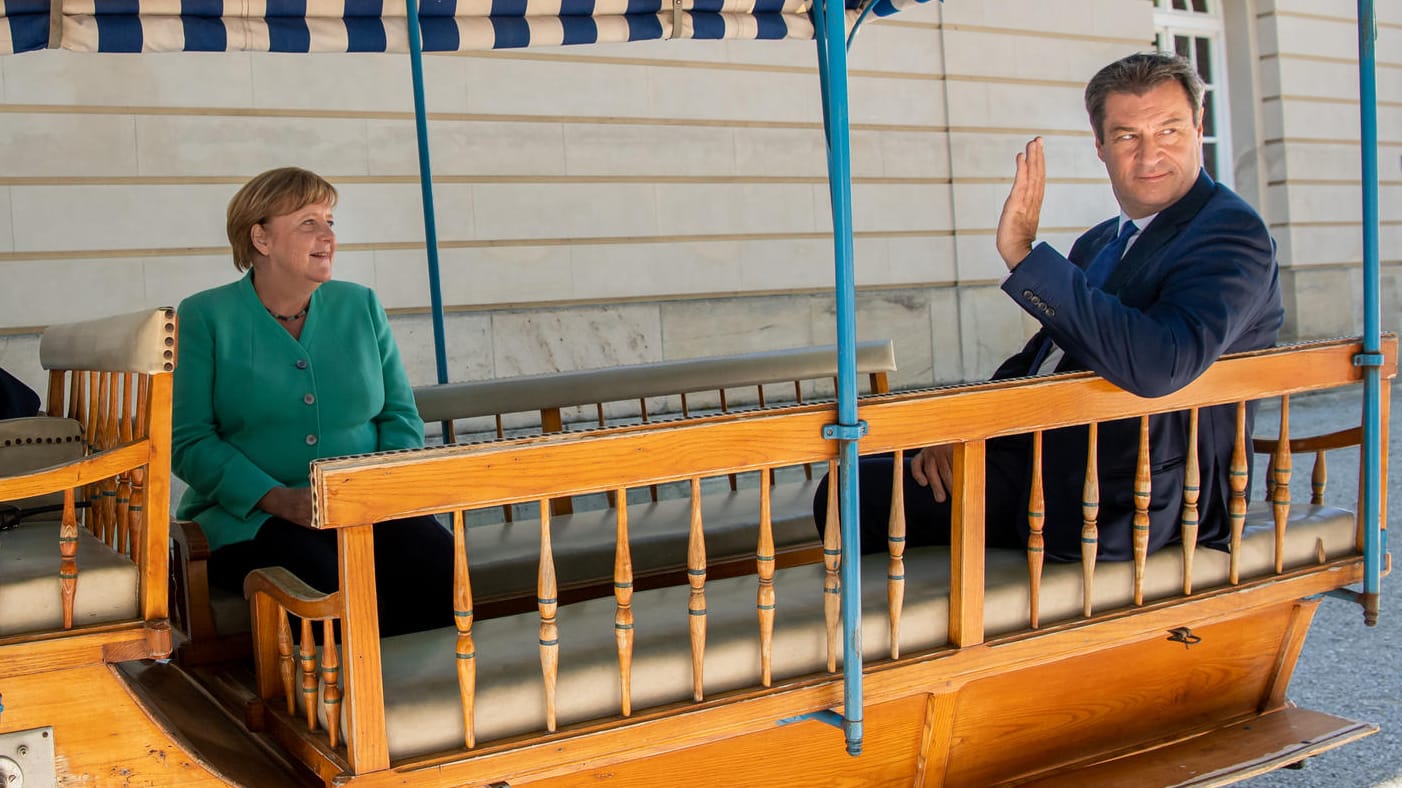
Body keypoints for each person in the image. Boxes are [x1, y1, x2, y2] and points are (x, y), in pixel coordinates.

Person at [816, 52, 1283, 562]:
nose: (1150, 156)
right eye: (1128, 136)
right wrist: (965, 431)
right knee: (860, 471)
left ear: (1198, 128)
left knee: (852, 494)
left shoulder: (1231, 233)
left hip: (1136, 495)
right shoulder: (1101, 241)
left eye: (1169, 130)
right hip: (1051, 459)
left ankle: (914, 637)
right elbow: (1042, 359)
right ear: (1100, 146)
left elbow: (1157, 364)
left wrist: (1023, 254)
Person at [172, 167, 454, 636]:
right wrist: (279, 499)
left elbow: (399, 415)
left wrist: (378, 493)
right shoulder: (204, 316)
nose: (327, 235)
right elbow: (191, 440)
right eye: (309, 222)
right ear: (260, 239)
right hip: (250, 518)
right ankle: (341, 704)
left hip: (364, 506)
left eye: (330, 221)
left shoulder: (360, 305)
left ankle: (430, 698)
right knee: (320, 575)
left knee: (433, 556)